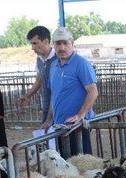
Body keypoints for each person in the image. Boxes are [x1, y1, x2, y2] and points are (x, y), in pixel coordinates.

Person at [45, 27, 98, 157]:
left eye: (65, 43)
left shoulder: (81, 63)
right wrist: (49, 119)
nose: (62, 47)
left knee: (81, 163)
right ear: (54, 45)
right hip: (60, 125)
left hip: (77, 126)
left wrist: (80, 115)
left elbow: (93, 91)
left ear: (72, 44)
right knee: (65, 162)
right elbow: (55, 94)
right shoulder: (53, 66)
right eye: (58, 43)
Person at [18, 26, 57, 124]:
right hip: (47, 107)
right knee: (49, 137)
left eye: (35, 43)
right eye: (31, 44)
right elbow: (39, 80)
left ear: (46, 41)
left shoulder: (59, 59)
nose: (32, 48)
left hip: (61, 109)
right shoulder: (39, 60)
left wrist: (49, 119)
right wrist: (27, 95)